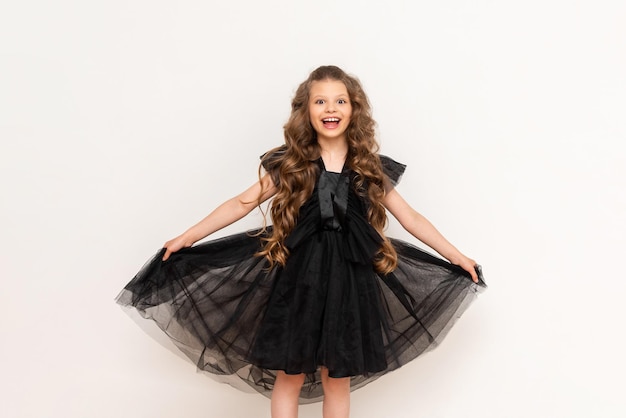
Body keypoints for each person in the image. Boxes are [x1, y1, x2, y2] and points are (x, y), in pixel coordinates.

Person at [116, 65, 486, 418]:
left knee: (336, 379)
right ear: (306, 111)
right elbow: (241, 203)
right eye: (320, 101)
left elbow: (411, 217)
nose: (331, 108)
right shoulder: (291, 164)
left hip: (351, 284)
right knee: (289, 374)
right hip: (299, 283)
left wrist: (456, 255)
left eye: (340, 100)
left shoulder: (369, 166)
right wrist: (189, 236)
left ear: (354, 109)